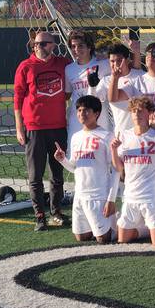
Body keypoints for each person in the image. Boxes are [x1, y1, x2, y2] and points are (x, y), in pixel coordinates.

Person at [14, 31, 70, 231]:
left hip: (58, 127)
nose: (38, 46)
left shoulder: (63, 64)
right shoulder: (25, 66)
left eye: (44, 43)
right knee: (35, 176)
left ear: (53, 45)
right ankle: (39, 216)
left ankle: (56, 213)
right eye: (36, 44)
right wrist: (19, 128)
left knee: (57, 175)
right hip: (34, 129)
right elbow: (18, 100)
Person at [53, 95, 119, 243]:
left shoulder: (107, 136)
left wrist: (111, 199)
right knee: (81, 238)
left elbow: (116, 169)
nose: (81, 114)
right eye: (79, 110)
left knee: (103, 239)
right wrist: (62, 159)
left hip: (99, 196)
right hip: (80, 196)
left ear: (96, 114)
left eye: (86, 110)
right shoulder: (76, 137)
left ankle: (118, 224)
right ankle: (102, 223)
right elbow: (74, 168)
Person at [110, 96, 155, 246]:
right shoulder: (124, 136)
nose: (136, 114)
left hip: (152, 197)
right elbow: (119, 168)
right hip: (130, 195)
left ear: (149, 113)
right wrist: (113, 150)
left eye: (140, 110)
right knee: (122, 240)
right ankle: (145, 230)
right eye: (133, 111)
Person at [64, 30, 112, 144]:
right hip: (77, 119)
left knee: (102, 152)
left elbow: (125, 65)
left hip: (99, 116)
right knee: (76, 153)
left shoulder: (104, 64)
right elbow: (67, 95)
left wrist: (107, 56)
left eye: (80, 46)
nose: (76, 49)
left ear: (89, 47)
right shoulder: (69, 69)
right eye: (73, 46)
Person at [93, 43, 145, 134]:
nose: (116, 64)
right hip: (121, 133)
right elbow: (94, 100)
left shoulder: (141, 76)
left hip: (143, 132)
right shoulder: (106, 80)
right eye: (112, 61)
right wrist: (92, 86)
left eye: (119, 60)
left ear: (128, 60)